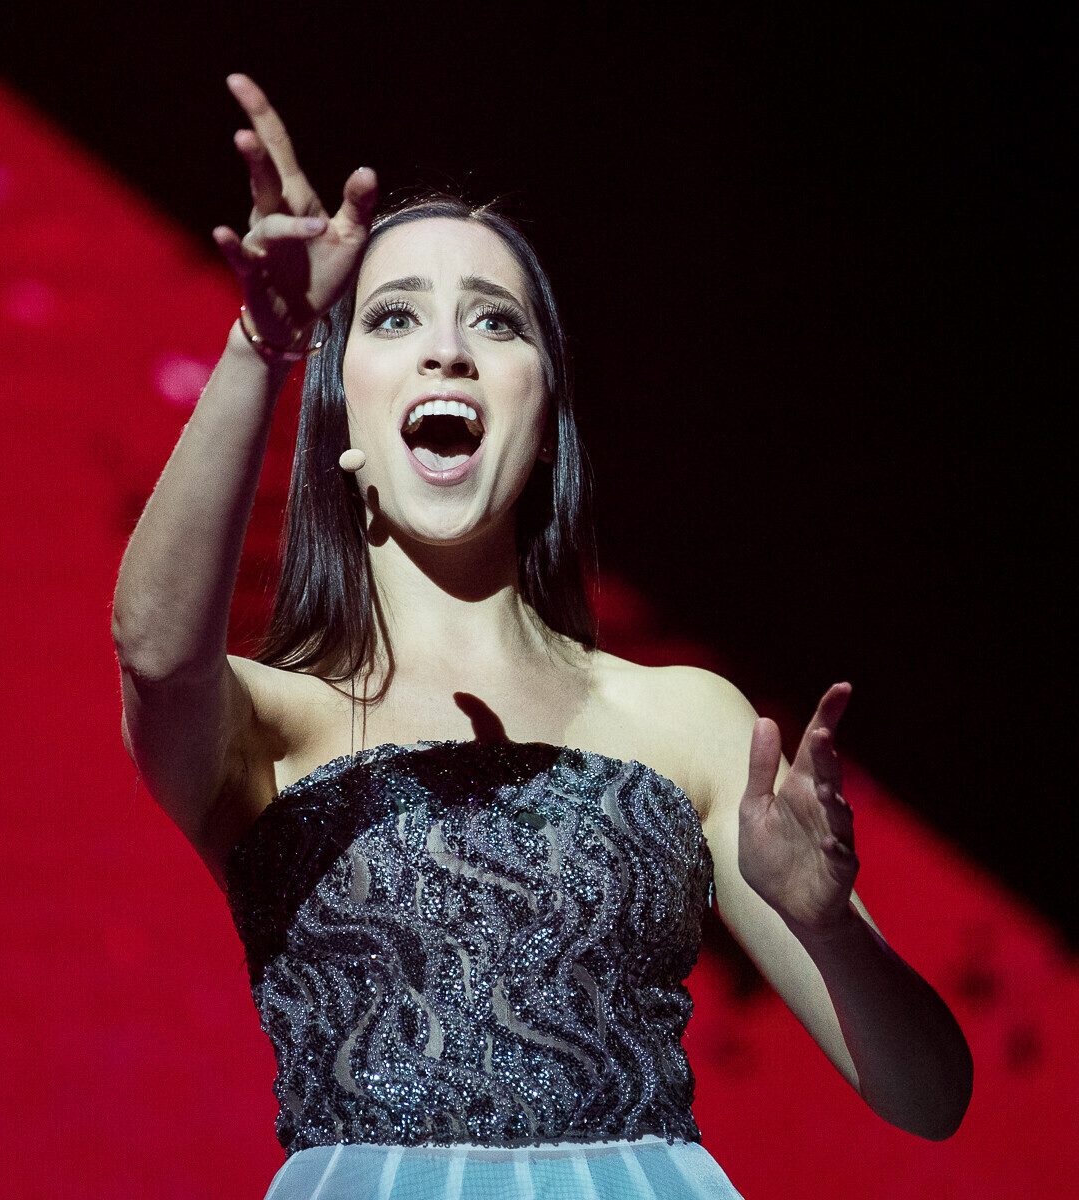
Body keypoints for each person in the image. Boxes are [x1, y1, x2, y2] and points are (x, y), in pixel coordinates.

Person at [111, 73, 972, 1200]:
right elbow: (152, 650)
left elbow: (930, 1098)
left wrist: (828, 929)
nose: (448, 351)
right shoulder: (267, 724)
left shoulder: (684, 717)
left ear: (546, 417)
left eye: (496, 321)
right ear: (343, 416)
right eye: (394, 317)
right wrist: (260, 345)